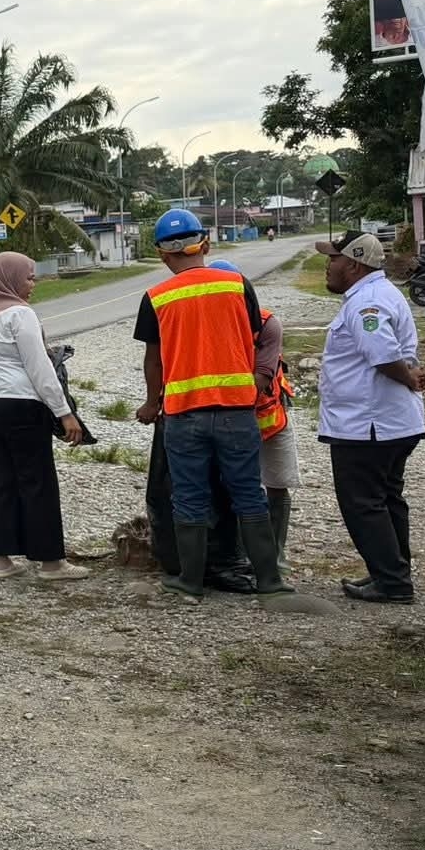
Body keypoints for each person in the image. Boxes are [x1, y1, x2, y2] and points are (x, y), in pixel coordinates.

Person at [133, 209, 290, 599]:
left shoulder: (156, 297)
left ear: (162, 254)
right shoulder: (238, 284)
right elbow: (255, 336)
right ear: (204, 243)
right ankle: (270, 581)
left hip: (185, 415)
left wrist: (152, 403)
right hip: (238, 411)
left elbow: (153, 360)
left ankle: (189, 581)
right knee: (248, 493)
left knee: (188, 496)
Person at [0, 252, 90, 581]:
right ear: (8, 278)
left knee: (1, 479)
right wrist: (65, 412)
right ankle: (51, 563)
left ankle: (0, 561)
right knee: (37, 480)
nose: (33, 284)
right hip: (21, 405)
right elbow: (40, 369)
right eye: (28, 277)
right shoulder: (19, 314)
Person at [316, 230, 425, 603]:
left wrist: (407, 376)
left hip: (369, 424)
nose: (328, 266)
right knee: (386, 497)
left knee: (363, 502)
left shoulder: (368, 303)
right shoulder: (375, 294)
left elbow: (381, 354)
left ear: (353, 263)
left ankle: (392, 582)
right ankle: (391, 571)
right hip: (383, 421)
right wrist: (409, 376)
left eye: (333, 259)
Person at [212, 259, 300, 563]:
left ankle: (274, 556)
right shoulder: (205, 330)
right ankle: (237, 554)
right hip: (228, 419)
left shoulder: (266, 324)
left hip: (268, 417)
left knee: (276, 485)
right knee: (232, 488)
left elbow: (260, 380)